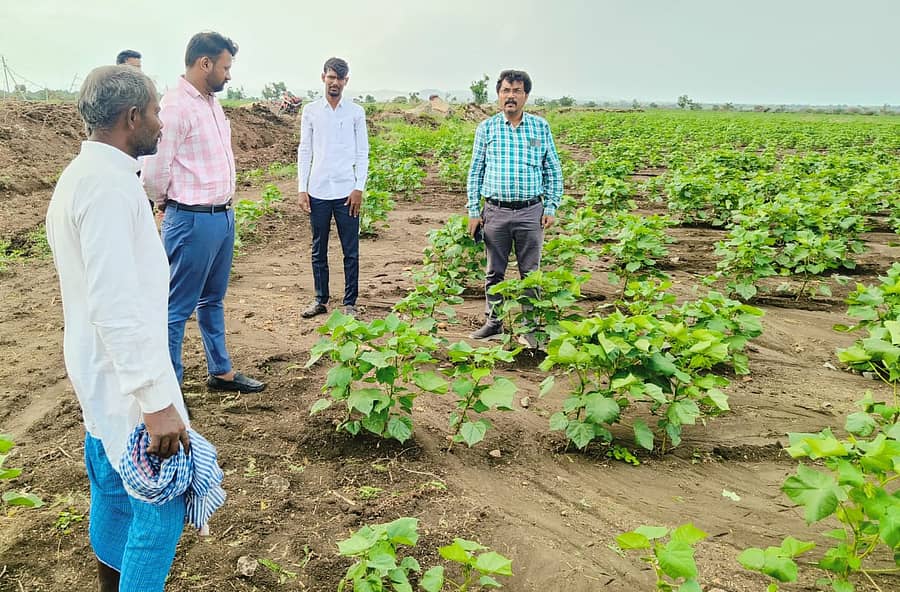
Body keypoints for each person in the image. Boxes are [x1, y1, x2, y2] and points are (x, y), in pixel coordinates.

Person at [46, 65, 192, 592]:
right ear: (132, 117)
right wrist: (155, 402)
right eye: (155, 112)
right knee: (158, 512)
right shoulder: (107, 188)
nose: (160, 122)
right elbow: (115, 304)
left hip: (99, 371)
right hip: (126, 380)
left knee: (110, 490)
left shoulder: (84, 177)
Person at [142, 32, 265, 393]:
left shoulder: (210, 103)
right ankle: (169, 390)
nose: (229, 75)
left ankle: (221, 371)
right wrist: (169, 204)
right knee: (176, 308)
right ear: (205, 63)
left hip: (222, 217)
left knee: (212, 299)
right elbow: (153, 172)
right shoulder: (176, 107)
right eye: (225, 67)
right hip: (192, 219)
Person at [466, 69, 563, 341]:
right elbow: (476, 171)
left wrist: (551, 207)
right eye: (506, 91)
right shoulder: (487, 129)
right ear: (498, 95)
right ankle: (494, 322)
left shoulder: (540, 128)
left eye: (517, 91)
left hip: (531, 211)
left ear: (526, 96)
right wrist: (474, 211)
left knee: (530, 274)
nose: (511, 96)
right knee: (494, 271)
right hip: (495, 211)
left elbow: (553, 169)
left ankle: (531, 329)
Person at [297, 57, 369, 318]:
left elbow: (363, 153)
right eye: (330, 77)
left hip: (346, 193)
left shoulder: (355, 113)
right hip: (317, 191)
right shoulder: (311, 111)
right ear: (323, 78)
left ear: (346, 81)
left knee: (350, 250)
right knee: (319, 248)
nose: (334, 82)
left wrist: (358, 187)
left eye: (339, 78)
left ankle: (350, 303)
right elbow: (305, 150)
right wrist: (301, 188)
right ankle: (321, 299)